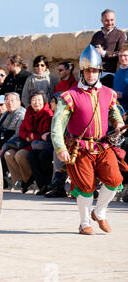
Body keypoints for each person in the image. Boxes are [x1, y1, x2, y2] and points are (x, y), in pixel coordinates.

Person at [51, 44, 125, 235]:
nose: (91, 74)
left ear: (99, 71)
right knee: (85, 186)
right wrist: (60, 148)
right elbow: (57, 124)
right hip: (79, 146)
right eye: (87, 71)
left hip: (102, 145)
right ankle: (84, 223)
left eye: (94, 70)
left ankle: (99, 212)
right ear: (82, 72)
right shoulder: (69, 96)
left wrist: (117, 124)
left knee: (115, 179)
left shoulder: (108, 93)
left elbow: (114, 113)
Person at [24, 91, 55, 195]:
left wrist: (34, 136)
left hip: (47, 144)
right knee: (31, 156)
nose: (36, 102)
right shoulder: (28, 112)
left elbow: (45, 132)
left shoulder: (48, 113)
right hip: (34, 143)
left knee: (43, 156)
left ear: (44, 101)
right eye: (33, 100)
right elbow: (22, 129)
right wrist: (29, 136)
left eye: (39, 100)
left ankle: (49, 184)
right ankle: (41, 185)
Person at [90, 9, 127, 88]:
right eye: (107, 20)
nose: (110, 23)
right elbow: (89, 52)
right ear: (102, 20)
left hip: (109, 74)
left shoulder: (120, 34)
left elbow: (121, 53)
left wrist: (103, 53)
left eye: (112, 20)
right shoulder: (97, 35)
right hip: (94, 73)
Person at [114, 43, 128, 112]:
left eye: (125, 55)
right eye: (120, 56)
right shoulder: (117, 72)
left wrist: (123, 95)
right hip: (118, 111)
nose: (122, 58)